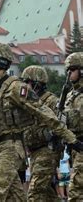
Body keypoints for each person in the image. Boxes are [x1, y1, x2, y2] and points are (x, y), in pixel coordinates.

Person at [0, 42, 83, 201]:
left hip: (10, 149)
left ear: (1, 61)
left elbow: (46, 114)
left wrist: (71, 138)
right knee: (17, 197)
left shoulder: (15, 87)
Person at [20, 65, 61, 201]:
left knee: (35, 192)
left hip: (47, 150)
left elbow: (58, 126)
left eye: (27, 82)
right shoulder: (28, 102)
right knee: (48, 194)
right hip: (34, 151)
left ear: (37, 83)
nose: (24, 86)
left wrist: (43, 134)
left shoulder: (51, 101)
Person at [63, 52, 83, 200]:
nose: (69, 73)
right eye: (68, 70)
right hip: (75, 148)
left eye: (73, 69)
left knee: (75, 191)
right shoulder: (70, 95)